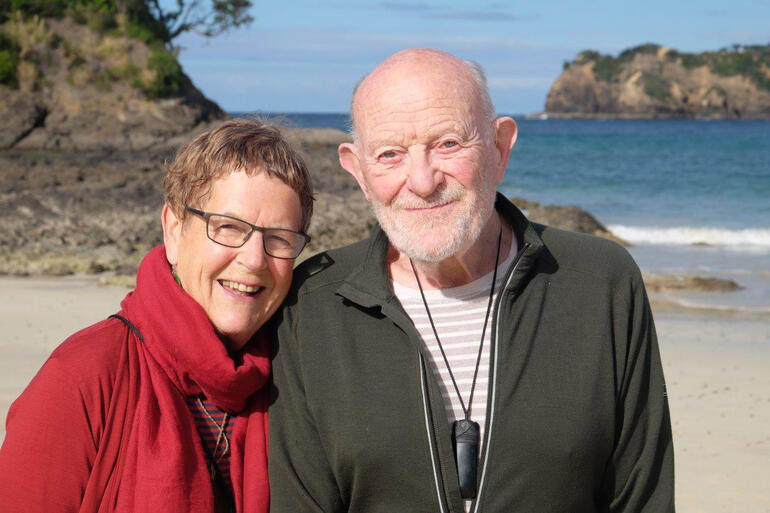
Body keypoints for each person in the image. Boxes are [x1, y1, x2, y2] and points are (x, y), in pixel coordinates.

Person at [268, 49, 674, 512]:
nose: (422, 181)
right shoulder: (314, 306)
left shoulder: (600, 284)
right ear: (359, 171)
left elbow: (643, 497)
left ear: (500, 147)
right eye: (389, 154)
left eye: (448, 144)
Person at [0, 118, 314, 513]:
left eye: (279, 238)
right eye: (229, 228)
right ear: (173, 229)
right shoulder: (82, 376)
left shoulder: (298, 382)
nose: (254, 259)